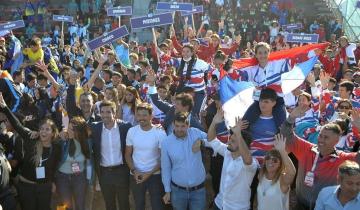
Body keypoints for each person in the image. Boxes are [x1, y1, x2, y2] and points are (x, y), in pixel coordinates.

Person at [280, 106, 360, 210]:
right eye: (320, 135)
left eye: (326, 137)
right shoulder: (306, 149)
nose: (321, 140)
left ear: (337, 140)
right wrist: (291, 118)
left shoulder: (342, 159)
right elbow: (286, 136)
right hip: (300, 205)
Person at [0, 92, 61, 210]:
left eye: (47, 129)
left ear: (53, 133)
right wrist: (5, 108)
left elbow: (54, 167)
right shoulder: (31, 138)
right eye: (42, 129)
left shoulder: (56, 148)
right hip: (26, 186)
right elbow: (18, 126)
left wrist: (53, 182)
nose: (43, 132)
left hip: (44, 188)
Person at [207, 110, 258, 210]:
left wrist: (239, 135)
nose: (229, 141)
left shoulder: (252, 163)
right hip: (219, 204)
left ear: (242, 144)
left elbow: (248, 161)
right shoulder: (227, 152)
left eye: (233, 141)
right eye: (230, 138)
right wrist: (214, 122)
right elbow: (211, 140)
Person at [90, 100, 132, 210]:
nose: (104, 115)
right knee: (109, 205)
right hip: (104, 174)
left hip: (122, 172)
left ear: (114, 112)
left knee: (124, 204)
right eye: (102, 112)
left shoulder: (125, 127)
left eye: (108, 112)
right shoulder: (94, 128)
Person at [161, 112, 207, 210]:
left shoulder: (196, 133)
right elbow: (166, 168)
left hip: (198, 190)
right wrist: (167, 191)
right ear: (173, 125)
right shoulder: (166, 142)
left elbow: (212, 140)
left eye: (183, 126)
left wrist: (202, 142)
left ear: (188, 125)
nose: (179, 129)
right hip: (178, 191)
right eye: (177, 126)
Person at [125, 103, 166, 210]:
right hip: (136, 175)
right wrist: (135, 171)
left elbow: (163, 158)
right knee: (139, 205)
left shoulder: (160, 132)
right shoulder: (131, 131)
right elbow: (127, 155)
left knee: (157, 206)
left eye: (144, 115)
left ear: (151, 116)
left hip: (155, 175)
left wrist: (148, 174)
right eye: (139, 115)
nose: (141, 118)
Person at [56, 117, 93, 210]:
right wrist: (58, 137)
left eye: (72, 129)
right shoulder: (62, 140)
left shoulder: (86, 142)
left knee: (80, 205)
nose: (69, 131)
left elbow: (89, 162)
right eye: (68, 128)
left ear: (79, 131)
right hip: (62, 177)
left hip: (79, 177)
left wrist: (89, 180)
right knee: (64, 206)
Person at [256, 135, 296, 210]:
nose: (270, 161)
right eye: (268, 158)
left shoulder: (282, 180)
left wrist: (282, 151)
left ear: (280, 164)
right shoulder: (261, 176)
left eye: (275, 160)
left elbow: (292, 172)